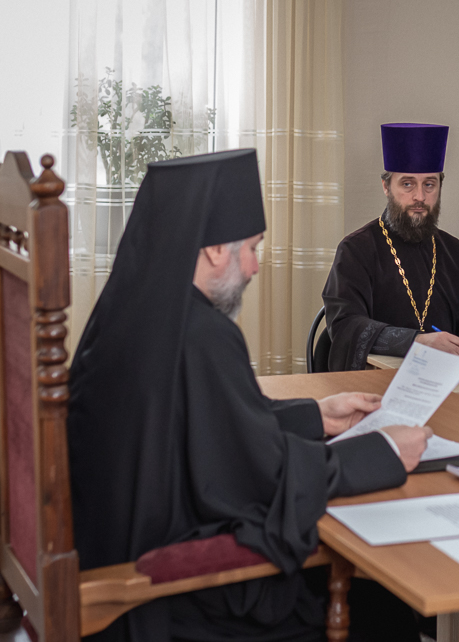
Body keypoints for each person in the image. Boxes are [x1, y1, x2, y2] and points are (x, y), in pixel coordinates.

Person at [68, 150, 432, 642]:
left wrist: (316, 415)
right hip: (172, 595)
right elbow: (263, 477)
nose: (256, 267)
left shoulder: (131, 309)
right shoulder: (202, 334)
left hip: (120, 541)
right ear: (215, 249)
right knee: (383, 604)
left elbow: (207, 428)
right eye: (253, 249)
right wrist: (384, 453)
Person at [323, 123, 459, 371]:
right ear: (386, 187)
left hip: (448, 379)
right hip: (377, 380)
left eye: (429, 184)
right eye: (407, 184)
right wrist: (416, 341)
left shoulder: (455, 253)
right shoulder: (356, 250)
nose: (420, 197)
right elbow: (346, 325)